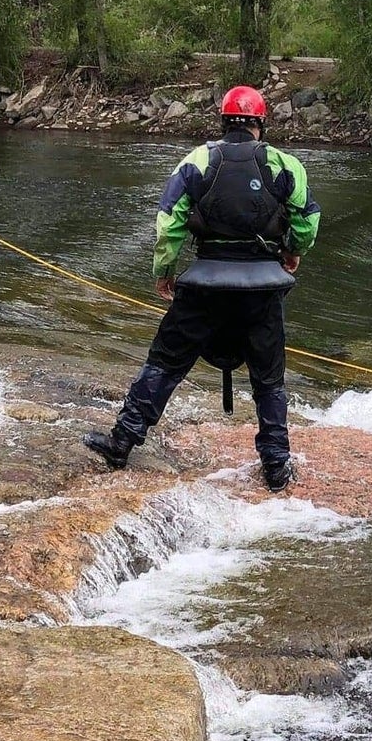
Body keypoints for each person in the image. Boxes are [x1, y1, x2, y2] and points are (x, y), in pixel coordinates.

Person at [84, 86, 320, 491]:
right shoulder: (286, 165)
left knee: (165, 362)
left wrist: (165, 270)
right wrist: (293, 253)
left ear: (224, 122)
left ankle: (122, 441)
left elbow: (168, 222)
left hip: (204, 286)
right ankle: (277, 465)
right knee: (269, 378)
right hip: (263, 289)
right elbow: (308, 220)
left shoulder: (197, 161)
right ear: (260, 124)